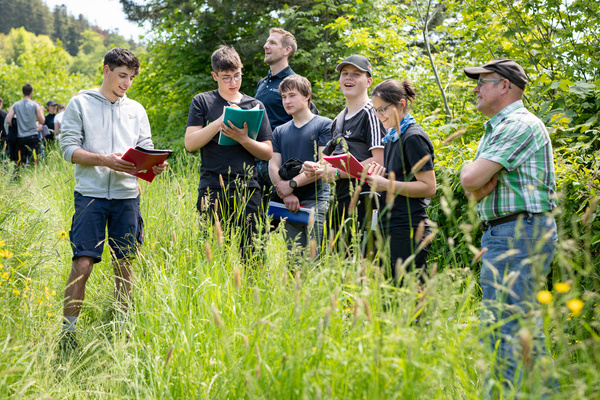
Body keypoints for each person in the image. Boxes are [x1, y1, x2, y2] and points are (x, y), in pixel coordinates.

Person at [59, 48, 167, 354]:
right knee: (83, 262)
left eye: (131, 78)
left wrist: (155, 165)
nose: (127, 83)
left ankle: (122, 328)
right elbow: (68, 150)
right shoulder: (80, 103)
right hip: (90, 195)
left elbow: (146, 149)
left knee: (125, 263)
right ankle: (68, 334)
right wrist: (104, 160)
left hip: (127, 196)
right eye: (122, 76)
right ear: (105, 70)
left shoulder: (136, 109)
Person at [460, 59, 558, 396]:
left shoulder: (518, 124)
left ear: (504, 86)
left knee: (504, 328)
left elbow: (471, 179)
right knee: (519, 329)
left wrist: (472, 173)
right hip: (507, 231)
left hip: (518, 233)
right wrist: (476, 179)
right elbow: (475, 191)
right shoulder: (498, 128)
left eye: (482, 82)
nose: (476, 89)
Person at [185, 45, 273, 261]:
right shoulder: (202, 101)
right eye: (226, 77)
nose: (233, 83)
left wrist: (243, 139)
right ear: (215, 76)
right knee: (212, 256)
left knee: (253, 255)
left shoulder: (255, 105)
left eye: (237, 76)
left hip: (248, 187)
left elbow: (268, 153)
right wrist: (218, 122)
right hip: (212, 186)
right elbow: (190, 143)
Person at [304, 55, 385, 250]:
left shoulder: (372, 113)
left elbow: (379, 161)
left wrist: (338, 174)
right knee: (337, 261)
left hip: (367, 201)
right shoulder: (338, 118)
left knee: (363, 263)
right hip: (339, 201)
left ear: (369, 81)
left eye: (356, 74)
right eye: (344, 74)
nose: (348, 78)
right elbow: (329, 161)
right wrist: (315, 168)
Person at [365, 79, 436, 281]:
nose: (379, 116)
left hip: (409, 227)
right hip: (390, 224)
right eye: (375, 111)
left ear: (401, 104)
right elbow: (403, 176)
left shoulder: (413, 137)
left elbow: (429, 187)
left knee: (410, 298)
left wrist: (386, 184)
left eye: (383, 109)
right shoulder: (392, 136)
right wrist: (382, 175)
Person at [268, 75, 332, 255]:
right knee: (294, 262)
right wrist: (286, 193)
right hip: (288, 204)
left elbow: (323, 163)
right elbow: (273, 165)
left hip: (317, 200)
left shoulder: (325, 125)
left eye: (292, 95)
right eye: (283, 96)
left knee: (317, 260)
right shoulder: (279, 131)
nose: (286, 101)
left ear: (307, 96)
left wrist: (291, 185)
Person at [255, 28, 299, 208]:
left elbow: (307, 122)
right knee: (256, 224)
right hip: (257, 160)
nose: (265, 46)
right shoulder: (262, 83)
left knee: (284, 225)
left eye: (272, 43)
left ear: (286, 50)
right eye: (267, 42)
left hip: (281, 164)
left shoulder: (295, 81)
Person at [5, 84, 45, 165]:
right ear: (31, 93)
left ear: (23, 92)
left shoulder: (16, 105)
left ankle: (18, 176)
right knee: (35, 162)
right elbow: (42, 120)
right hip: (33, 137)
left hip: (21, 138)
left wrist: (16, 126)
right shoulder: (35, 105)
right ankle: (35, 177)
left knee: (20, 162)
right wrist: (42, 112)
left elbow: (8, 120)